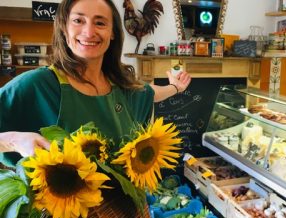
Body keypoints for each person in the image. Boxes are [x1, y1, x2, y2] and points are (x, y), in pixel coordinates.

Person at [0, 0, 191, 167]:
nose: (89, 32)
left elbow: (149, 92)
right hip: (65, 207)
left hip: (122, 207)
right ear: (64, 29)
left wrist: (175, 87)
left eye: (100, 22)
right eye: (78, 21)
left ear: (112, 33)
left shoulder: (120, 84)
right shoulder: (38, 84)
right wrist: (14, 140)